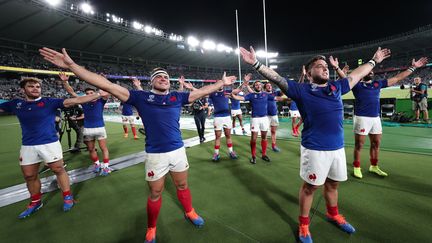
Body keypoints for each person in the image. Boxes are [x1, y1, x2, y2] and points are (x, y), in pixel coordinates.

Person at [39, 46, 236, 243]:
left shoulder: (177, 97)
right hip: (155, 154)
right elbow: (106, 85)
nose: (163, 78)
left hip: (178, 151)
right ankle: (151, 227)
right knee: (155, 192)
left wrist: (221, 82)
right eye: (158, 76)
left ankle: (190, 211)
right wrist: (72, 65)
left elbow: (202, 91)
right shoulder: (139, 97)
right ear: (151, 82)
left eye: (166, 76)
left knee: (183, 185)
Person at [240, 45, 391, 242]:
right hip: (315, 148)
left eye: (325, 66)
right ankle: (303, 224)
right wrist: (257, 64)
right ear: (309, 73)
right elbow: (277, 78)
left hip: (337, 147)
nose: (325, 68)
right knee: (310, 187)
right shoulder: (301, 90)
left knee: (333, 184)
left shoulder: (336, 87)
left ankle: (333, 213)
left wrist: (374, 60)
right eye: (319, 66)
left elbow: (355, 76)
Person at [0, 77, 103, 218]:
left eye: (38, 86)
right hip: (28, 145)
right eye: (31, 86)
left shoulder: (49, 102)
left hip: (49, 143)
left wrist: (98, 94)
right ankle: (35, 202)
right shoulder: (16, 104)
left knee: (58, 169)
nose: (36, 88)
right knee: (29, 175)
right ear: (22, 89)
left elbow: (76, 100)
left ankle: (68, 197)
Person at [330, 56, 428, 179]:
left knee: (376, 144)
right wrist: (337, 68)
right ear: (363, 74)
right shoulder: (357, 85)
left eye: (371, 71)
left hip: (375, 118)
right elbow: (345, 78)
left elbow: (397, 78)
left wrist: (413, 67)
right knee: (359, 145)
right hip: (361, 118)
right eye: (368, 71)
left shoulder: (378, 84)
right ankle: (356, 166)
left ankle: (374, 166)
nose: (370, 72)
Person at [59, 73, 112, 176]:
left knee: (103, 148)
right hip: (88, 129)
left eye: (91, 92)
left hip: (99, 128)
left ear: (95, 93)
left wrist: (103, 79)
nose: (89, 95)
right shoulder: (84, 102)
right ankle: (97, 164)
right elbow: (72, 92)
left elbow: (107, 90)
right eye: (87, 93)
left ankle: (105, 166)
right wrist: (65, 82)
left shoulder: (101, 101)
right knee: (91, 149)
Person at [231, 80, 275, 164]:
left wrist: (290, 96)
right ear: (254, 87)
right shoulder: (251, 95)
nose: (258, 86)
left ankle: (264, 154)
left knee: (264, 137)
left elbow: (277, 98)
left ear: (261, 86)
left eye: (259, 85)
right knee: (253, 139)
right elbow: (240, 98)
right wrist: (233, 94)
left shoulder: (266, 94)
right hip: (255, 119)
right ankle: (253, 156)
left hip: (264, 118)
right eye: (256, 85)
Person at [208, 84, 239, 161]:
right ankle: (216, 154)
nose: (220, 85)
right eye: (219, 83)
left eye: (222, 84)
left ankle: (231, 152)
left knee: (228, 135)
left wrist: (244, 84)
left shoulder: (227, 92)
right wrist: (192, 88)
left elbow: (237, 90)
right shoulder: (212, 94)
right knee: (217, 137)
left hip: (227, 117)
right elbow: (202, 92)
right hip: (217, 117)